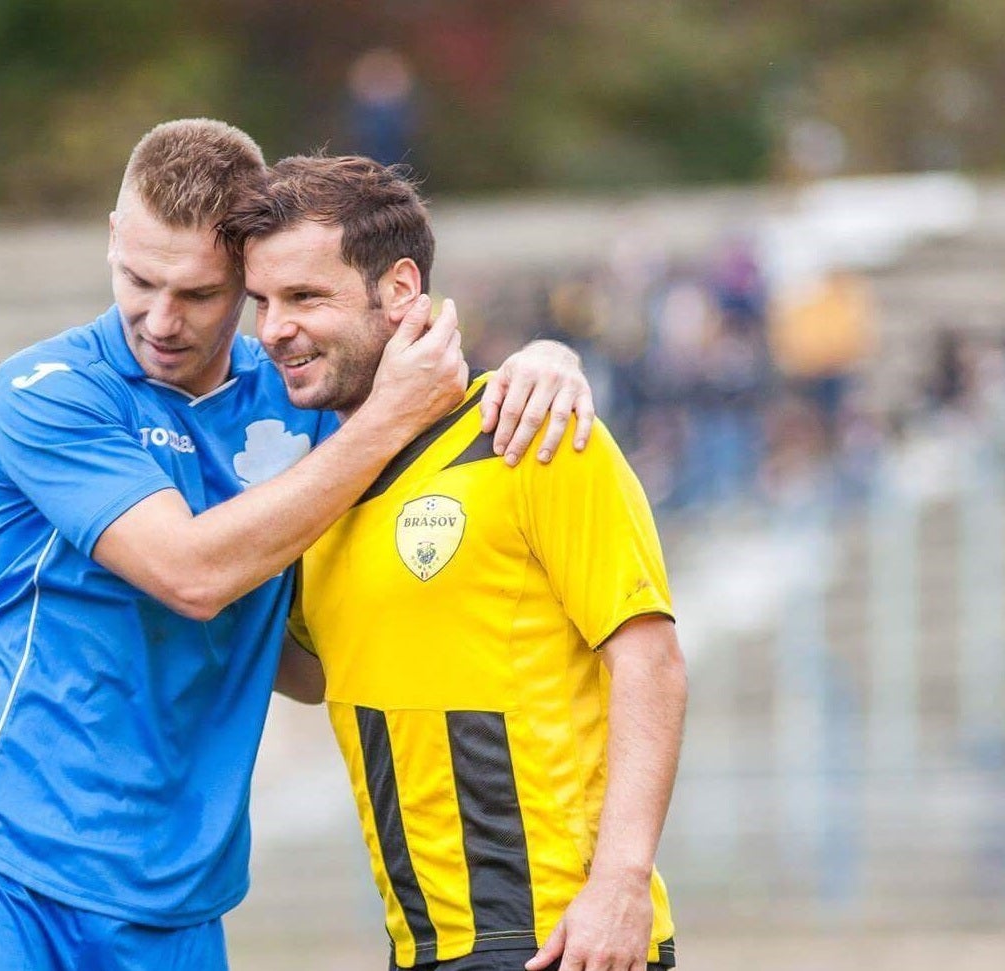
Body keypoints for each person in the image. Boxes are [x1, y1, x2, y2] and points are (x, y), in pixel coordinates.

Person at [0, 118, 596, 971]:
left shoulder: (303, 393)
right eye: (138, 280)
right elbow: (191, 573)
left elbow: (426, 391)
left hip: (182, 893)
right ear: (115, 237)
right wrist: (379, 424)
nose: (159, 318)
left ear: (250, 281)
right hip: (2, 857)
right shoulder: (50, 392)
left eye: (199, 294)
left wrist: (547, 359)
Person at [222, 155, 688, 971]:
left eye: (303, 296)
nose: (271, 329)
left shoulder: (533, 432)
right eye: (261, 302)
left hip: (562, 936)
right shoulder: (324, 490)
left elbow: (648, 657)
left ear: (400, 288)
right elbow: (315, 669)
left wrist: (621, 881)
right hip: (424, 943)